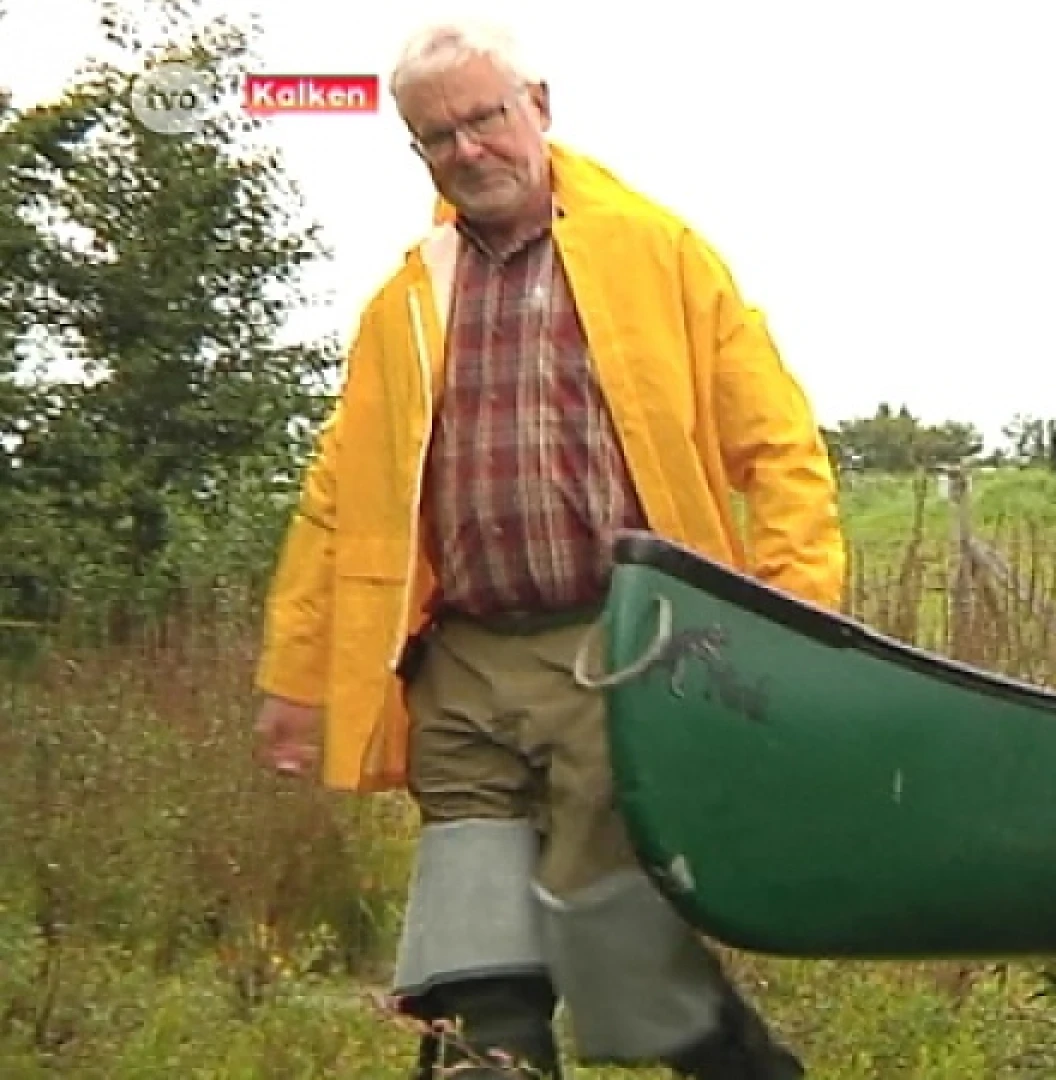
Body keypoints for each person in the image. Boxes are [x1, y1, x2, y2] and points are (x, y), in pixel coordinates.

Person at [249, 18, 845, 1079]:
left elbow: (777, 442)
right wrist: (298, 675)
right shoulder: (405, 304)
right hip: (464, 663)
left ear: (540, 107)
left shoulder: (656, 253)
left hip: (622, 648)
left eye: (485, 118)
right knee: (473, 953)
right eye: (439, 137)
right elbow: (338, 501)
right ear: (419, 154)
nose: (469, 149)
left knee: (613, 940)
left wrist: (795, 615)